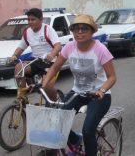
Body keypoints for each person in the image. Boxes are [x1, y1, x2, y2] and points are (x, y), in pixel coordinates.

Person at [42, 14, 116, 156]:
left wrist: (102, 90)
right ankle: (75, 140)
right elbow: (55, 67)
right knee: (56, 119)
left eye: (84, 29)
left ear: (92, 31)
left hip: (99, 96)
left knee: (88, 130)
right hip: (78, 93)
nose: (79, 32)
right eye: (76, 29)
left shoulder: (100, 50)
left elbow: (112, 77)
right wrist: (44, 84)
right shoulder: (69, 47)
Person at [10, 8, 61, 100]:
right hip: (36, 60)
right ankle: (23, 97)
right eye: (28, 19)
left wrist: (52, 55)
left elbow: (58, 46)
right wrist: (14, 55)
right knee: (19, 68)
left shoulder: (48, 30)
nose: (30, 22)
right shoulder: (27, 32)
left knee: (47, 85)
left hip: (51, 62)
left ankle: (54, 102)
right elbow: (21, 47)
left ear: (41, 20)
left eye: (33, 19)